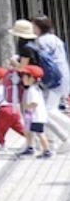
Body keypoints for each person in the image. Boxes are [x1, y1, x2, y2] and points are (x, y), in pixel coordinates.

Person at [31, 16, 69, 146]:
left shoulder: (42, 41)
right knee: (50, 109)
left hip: (53, 79)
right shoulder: (55, 39)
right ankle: (51, 141)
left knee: (48, 111)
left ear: (39, 27)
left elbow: (44, 61)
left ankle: (63, 137)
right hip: (62, 76)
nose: (33, 29)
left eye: (34, 26)